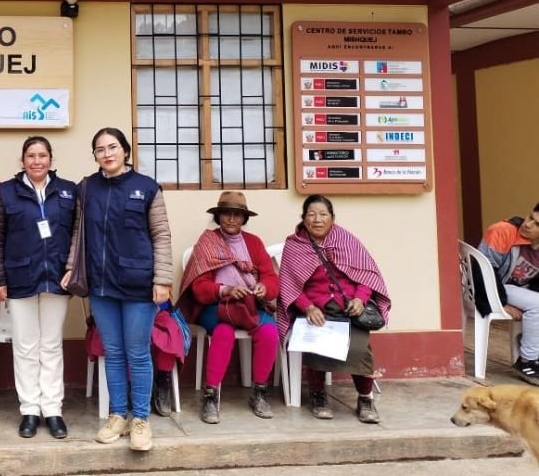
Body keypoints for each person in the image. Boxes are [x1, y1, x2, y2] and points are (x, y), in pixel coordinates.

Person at [63, 127, 172, 452]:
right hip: (101, 284)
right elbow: (78, 234)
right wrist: (72, 266)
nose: (107, 153)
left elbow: (162, 235)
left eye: (112, 147)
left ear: (125, 150)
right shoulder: (87, 189)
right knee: (113, 353)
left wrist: (162, 280)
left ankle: (140, 420)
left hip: (139, 285)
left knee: (137, 353)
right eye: (100, 149)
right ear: (94, 155)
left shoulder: (147, 188)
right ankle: (117, 415)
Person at [0, 136, 77, 439]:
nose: (37, 161)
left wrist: (72, 269)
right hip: (20, 277)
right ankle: (29, 410)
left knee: (50, 345)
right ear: (22, 160)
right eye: (31, 156)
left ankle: (52, 409)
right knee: (25, 347)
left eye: (42, 155)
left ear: (51, 159)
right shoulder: (5, 192)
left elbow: (78, 235)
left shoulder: (68, 191)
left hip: (56, 279)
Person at [276, 194, 391, 424]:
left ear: (332, 218)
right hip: (314, 308)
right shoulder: (294, 244)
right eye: (311, 214)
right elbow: (288, 283)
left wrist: (360, 298)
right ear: (303, 218)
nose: (317, 219)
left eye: (323, 214)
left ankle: (365, 398)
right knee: (315, 344)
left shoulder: (347, 240)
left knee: (359, 348)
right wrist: (307, 307)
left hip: (348, 307)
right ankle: (318, 395)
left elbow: (366, 275)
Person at [176, 191, 279, 424]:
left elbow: (271, 278)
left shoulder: (254, 243)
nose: (231, 219)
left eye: (237, 215)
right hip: (215, 307)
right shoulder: (207, 243)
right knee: (223, 332)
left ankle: (259, 393)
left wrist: (264, 287)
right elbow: (199, 288)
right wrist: (225, 290)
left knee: (269, 331)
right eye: (226, 214)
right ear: (218, 216)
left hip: (249, 305)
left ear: (244, 219)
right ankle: (211, 396)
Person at [477, 203, 539, 385]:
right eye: (530, 217)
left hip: (520, 291)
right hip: (494, 287)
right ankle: (527, 361)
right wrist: (500, 303)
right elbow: (483, 270)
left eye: (537, 224)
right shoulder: (503, 231)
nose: (527, 224)